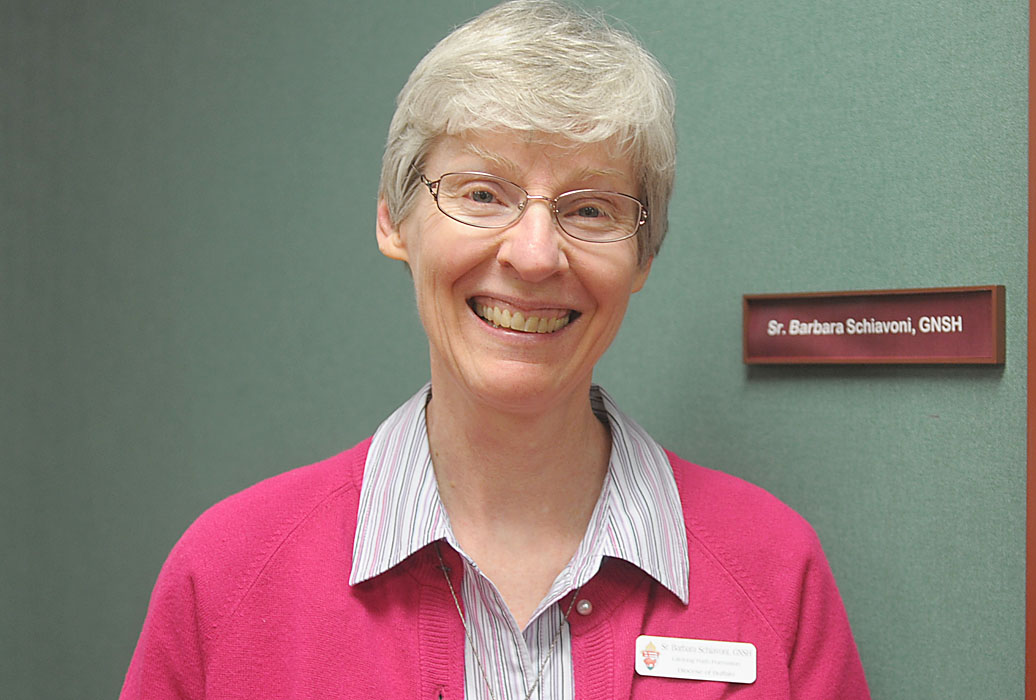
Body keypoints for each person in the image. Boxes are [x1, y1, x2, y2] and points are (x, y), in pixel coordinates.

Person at [120, 1, 871, 698]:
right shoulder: (227, 577)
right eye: (482, 193)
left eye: (590, 208)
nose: (537, 254)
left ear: (643, 260)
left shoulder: (775, 574)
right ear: (393, 220)